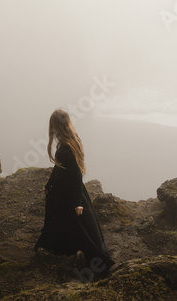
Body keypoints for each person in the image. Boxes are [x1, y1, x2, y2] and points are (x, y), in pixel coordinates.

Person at [34, 109, 115, 274]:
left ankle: (97, 262)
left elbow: (76, 175)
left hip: (68, 192)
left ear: (56, 127)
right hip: (62, 190)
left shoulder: (65, 148)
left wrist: (78, 203)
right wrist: (49, 185)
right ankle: (66, 248)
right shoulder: (69, 141)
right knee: (65, 221)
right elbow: (59, 168)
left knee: (81, 225)